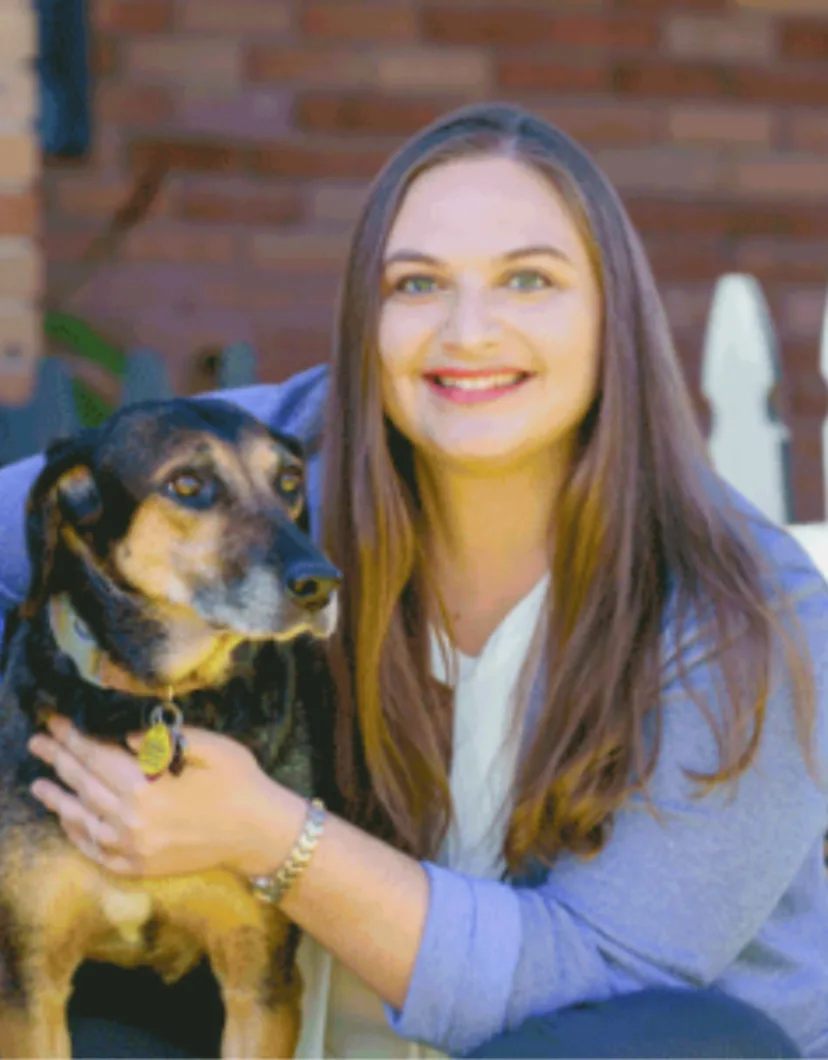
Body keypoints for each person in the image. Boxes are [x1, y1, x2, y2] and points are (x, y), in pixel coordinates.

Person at [0, 102, 826, 1059]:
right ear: (368, 318)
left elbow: (605, 986)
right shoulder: (279, 467)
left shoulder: (741, 606)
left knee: (689, 1042)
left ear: (613, 314)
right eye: (418, 284)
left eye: (528, 279)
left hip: (605, 1048)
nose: (468, 332)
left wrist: (266, 833)